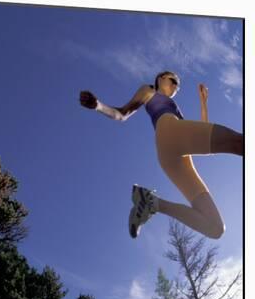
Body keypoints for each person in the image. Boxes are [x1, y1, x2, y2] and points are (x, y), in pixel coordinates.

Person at [79, 71, 243, 239]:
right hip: (169, 132)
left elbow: (205, 136)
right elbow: (121, 114)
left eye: (178, 86)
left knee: (215, 228)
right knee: (240, 143)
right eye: (173, 80)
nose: (176, 86)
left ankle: (151, 202)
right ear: (160, 79)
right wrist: (98, 105)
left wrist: (203, 102)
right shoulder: (149, 91)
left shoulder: (177, 112)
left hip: (175, 160)